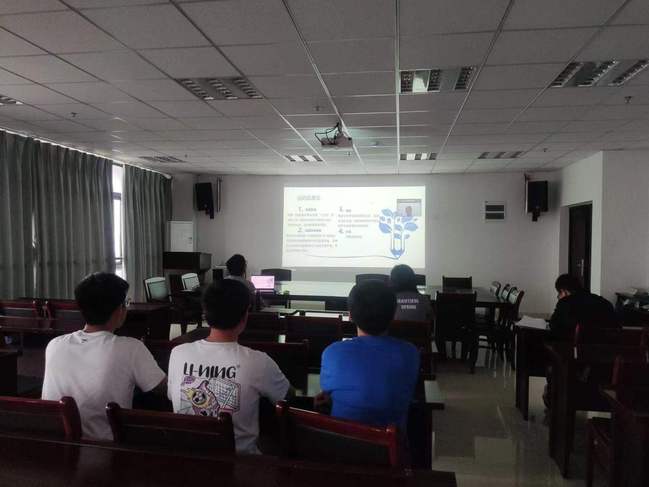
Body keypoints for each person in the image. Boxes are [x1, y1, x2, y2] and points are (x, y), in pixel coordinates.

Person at [167, 279, 291, 454]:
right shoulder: (259, 362)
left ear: (205, 313)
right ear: (245, 316)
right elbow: (287, 397)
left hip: (188, 459)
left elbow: (172, 397)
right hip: (240, 463)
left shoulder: (178, 353)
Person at [42, 273, 166, 441]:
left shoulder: (54, 345)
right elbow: (164, 388)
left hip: (57, 444)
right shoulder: (130, 348)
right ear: (118, 310)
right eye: (125, 303)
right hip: (107, 449)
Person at [318, 280, 419, 429]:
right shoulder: (410, 353)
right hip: (391, 443)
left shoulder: (332, 353)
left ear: (350, 315)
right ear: (393, 315)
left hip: (342, 441)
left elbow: (326, 394)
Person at [548, 274, 619, 341]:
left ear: (565, 291)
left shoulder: (564, 303)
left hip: (575, 345)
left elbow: (553, 326)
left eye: (559, 293)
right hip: (606, 346)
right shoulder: (603, 302)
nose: (558, 296)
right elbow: (615, 326)